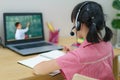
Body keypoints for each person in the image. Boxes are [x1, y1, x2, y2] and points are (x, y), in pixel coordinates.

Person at [33, 1, 114, 80]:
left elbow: (38, 69)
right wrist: (74, 52)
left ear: (79, 25)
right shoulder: (108, 45)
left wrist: (68, 57)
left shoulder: (77, 57)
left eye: (74, 24)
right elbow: (93, 56)